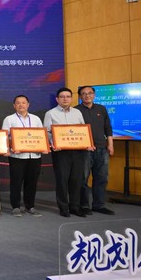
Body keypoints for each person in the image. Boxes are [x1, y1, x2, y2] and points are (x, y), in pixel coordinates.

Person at [44, 87, 89, 218]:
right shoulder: (50, 113)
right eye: (62, 96)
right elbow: (47, 132)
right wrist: (53, 143)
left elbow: (83, 130)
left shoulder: (77, 113)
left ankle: (75, 207)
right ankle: (63, 207)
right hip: (61, 152)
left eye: (68, 96)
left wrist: (87, 143)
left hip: (78, 151)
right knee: (62, 180)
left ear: (71, 98)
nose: (65, 99)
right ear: (57, 99)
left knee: (77, 180)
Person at [2, 95, 45, 217]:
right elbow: (4, 136)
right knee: (16, 182)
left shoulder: (36, 119)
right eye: (18, 103)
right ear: (14, 105)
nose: (21, 105)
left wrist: (44, 147)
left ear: (28, 104)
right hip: (17, 156)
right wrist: (9, 147)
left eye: (23, 102)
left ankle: (30, 206)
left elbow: (41, 136)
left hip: (34, 156)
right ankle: (15, 206)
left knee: (32, 182)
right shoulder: (9, 119)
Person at [75, 86, 115, 215]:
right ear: (80, 96)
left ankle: (99, 205)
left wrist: (110, 144)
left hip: (102, 148)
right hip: (84, 150)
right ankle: (84, 205)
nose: (87, 96)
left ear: (94, 95)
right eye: (84, 94)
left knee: (101, 177)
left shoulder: (101, 109)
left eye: (90, 93)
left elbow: (107, 127)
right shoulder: (75, 111)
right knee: (83, 179)